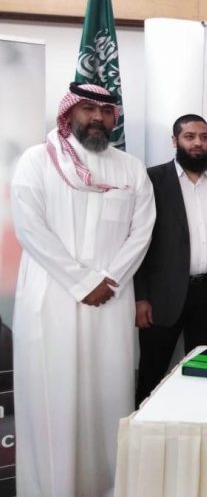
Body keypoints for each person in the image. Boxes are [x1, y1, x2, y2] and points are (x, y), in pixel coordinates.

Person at [10, 83, 155, 496]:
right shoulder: (37, 160)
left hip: (110, 300)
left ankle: (107, 487)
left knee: (108, 398)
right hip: (51, 299)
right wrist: (82, 282)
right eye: (88, 108)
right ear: (69, 112)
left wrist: (109, 279)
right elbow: (30, 229)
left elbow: (142, 231)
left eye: (106, 111)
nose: (97, 117)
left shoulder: (131, 169)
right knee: (52, 398)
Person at [134, 114, 207, 406]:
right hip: (162, 297)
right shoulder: (152, 180)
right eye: (190, 136)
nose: (198, 143)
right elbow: (138, 242)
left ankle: (199, 422)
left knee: (205, 374)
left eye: (204, 137)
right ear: (175, 141)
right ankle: (144, 426)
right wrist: (140, 297)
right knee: (152, 372)